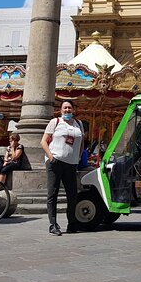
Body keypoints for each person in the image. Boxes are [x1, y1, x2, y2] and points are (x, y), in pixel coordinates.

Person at [40, 100, 84, 236]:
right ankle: (53, 224)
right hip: (56, 162)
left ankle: (72, 223)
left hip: (71, 164)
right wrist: (51, 158)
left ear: (73, 110)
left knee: (72, 195)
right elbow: (43, 141)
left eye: (69, 108)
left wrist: (78, 157)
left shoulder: (79, 124)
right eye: (65, 108)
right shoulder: (55, 122)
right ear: (60, 110)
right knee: (52, 193)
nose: (67, 110)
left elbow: (81, 143)